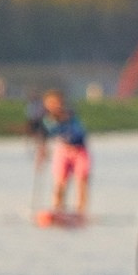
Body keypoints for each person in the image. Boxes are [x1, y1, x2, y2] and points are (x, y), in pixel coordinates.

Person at [37, 88, 91, 221]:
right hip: (62, 150)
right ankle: (58, 209)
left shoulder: (71, 116)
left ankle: (81, 212)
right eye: (49, 103)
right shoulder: (47, 120)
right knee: (60, 181)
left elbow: (80, 134)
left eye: (55, 103)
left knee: (81, 180)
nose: (53, 106)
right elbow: (44, 137)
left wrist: (63, 121)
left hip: (79, 150)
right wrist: (42, 153)